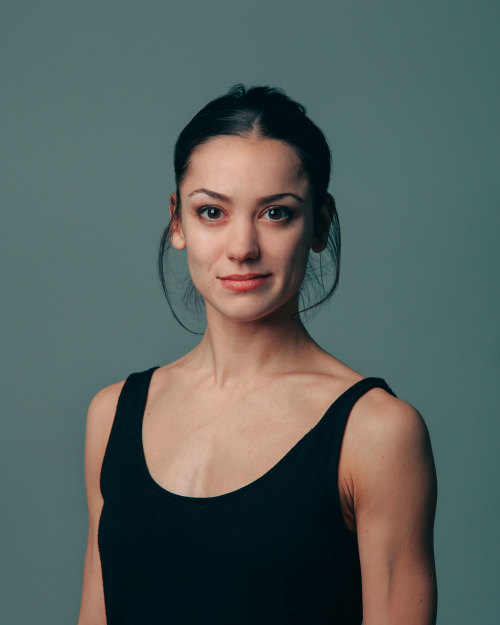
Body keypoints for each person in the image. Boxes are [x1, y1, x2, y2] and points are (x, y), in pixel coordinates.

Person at [77, 84, 438, 625]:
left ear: (319, 224)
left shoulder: (377, 433)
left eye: (275, 213)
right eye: (211, 212)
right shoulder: (111, 415)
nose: (242, 246)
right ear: (177, 222)